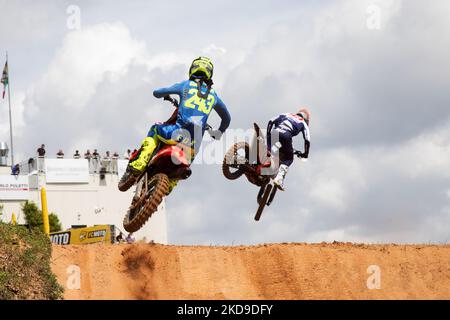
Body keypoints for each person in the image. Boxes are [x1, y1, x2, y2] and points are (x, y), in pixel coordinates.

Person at [119, 57, 231, 192]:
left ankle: (139, 163)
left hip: (177, 133)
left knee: (155, 129)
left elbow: (158, 92)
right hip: (193, 145)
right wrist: (218, 132)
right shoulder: (214, 96)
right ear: (210, 74)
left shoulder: (186, 85)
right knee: (183, 168)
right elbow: (227, 118)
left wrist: (160, 94)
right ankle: (169, 185)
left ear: (192, 69)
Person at [266, 108, 311, 191]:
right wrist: (306, 154)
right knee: (288, 158)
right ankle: (279, 179)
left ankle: (255, 160)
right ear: (306, 119)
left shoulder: (286, 114)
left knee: (268, 151)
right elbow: (307, 139)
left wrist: (268, 134)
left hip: (274, 133)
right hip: (286, 136)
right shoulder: (303, 122)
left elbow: (271, 120)